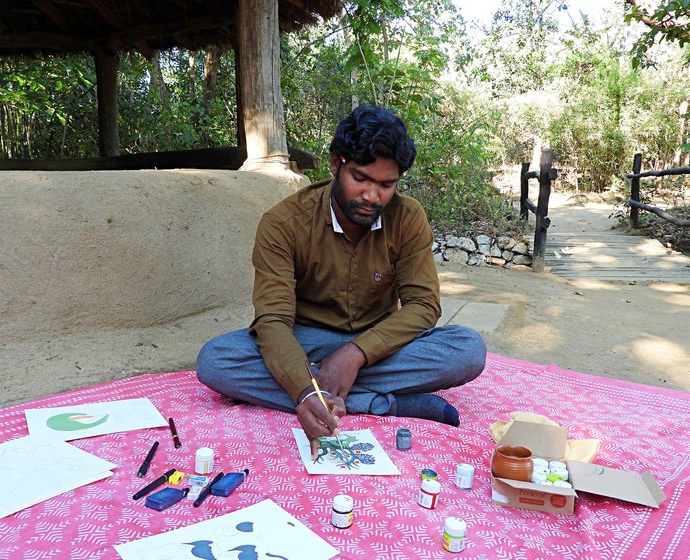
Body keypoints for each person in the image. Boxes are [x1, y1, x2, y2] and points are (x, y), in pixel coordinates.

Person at [197, 106, 486, 458]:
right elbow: (273, 320)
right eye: (360, 178)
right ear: (336, 164)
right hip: (305, 342)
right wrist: (304, 388)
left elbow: (423, 307)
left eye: (386, 185)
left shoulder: (407, 218)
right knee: (217, 360)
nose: (372, 196)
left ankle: (330, 389)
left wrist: (355, 354)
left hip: (379, 346)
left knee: (468, 350)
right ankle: (381, 403)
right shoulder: (283, 224)